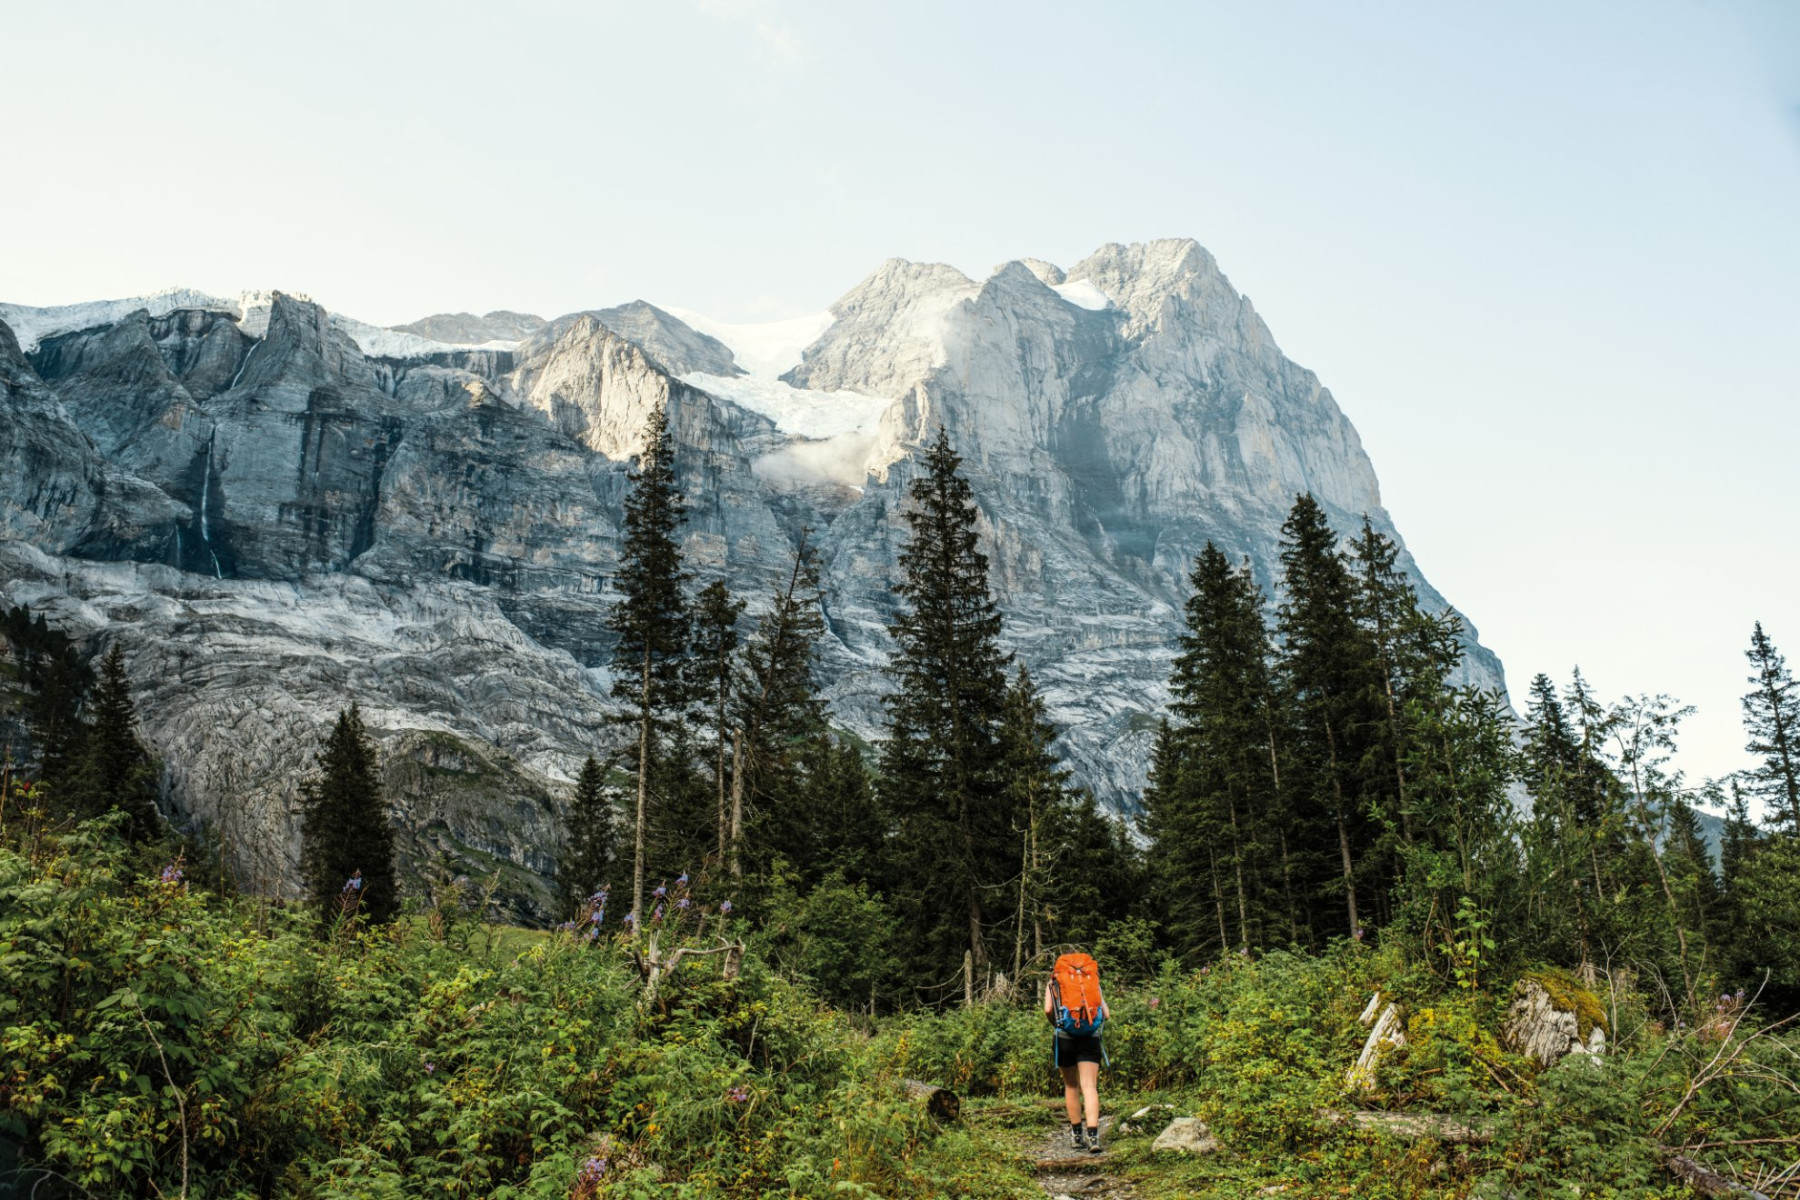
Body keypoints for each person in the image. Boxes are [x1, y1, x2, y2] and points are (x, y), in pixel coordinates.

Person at [1045, 960, 1109, 1154]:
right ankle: (1093, 1136)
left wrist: (1057, 1025)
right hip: (1090, 1038)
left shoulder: (1054, 982)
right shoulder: (1092, 980)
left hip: (1064, 1038)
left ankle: (1076, 1136)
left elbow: (1048, 1010)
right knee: (1089, 1086)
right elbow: (1105, 1014)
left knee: (1071, 1085)